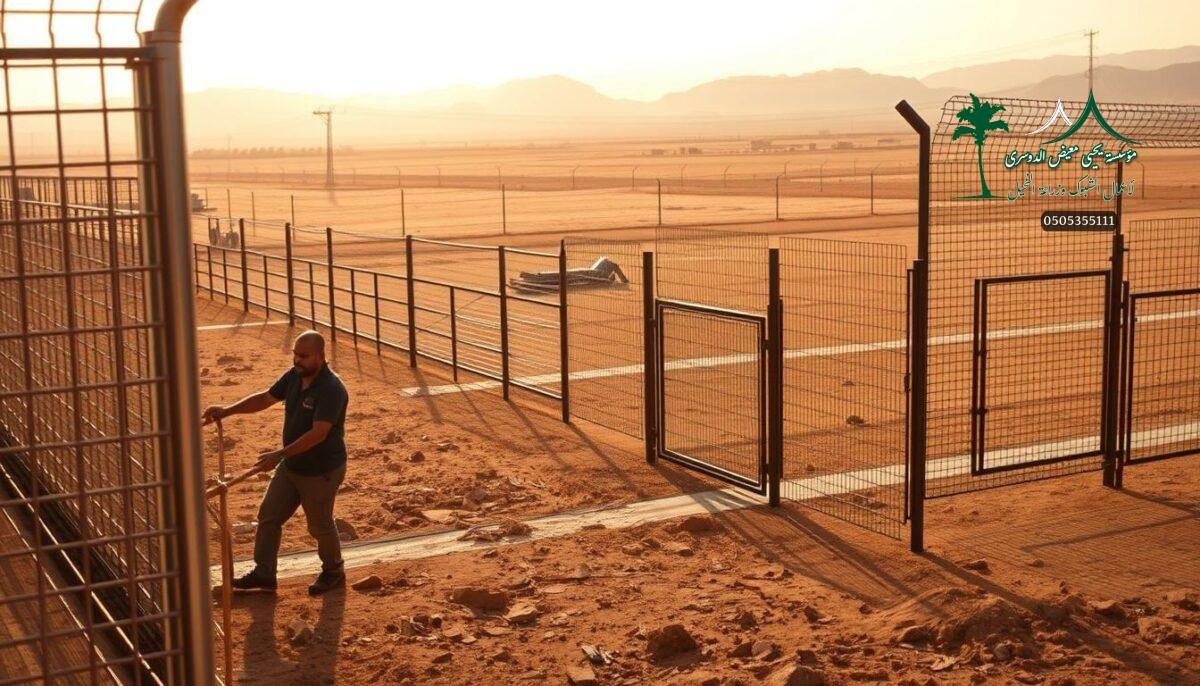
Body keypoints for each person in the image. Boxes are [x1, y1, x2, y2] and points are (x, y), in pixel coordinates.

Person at [202, 330, 350, 596]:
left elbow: (319, 433)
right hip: (291, 465)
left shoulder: (332, 389)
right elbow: (266, 398)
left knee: (319, 525)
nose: (297, 360)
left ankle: (333, 571)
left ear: (321, 355)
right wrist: (228, 410)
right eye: (295, 354)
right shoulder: (294, 377)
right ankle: (264, 574)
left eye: (304, 356)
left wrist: (279, 455)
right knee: (269, 517)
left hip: (320, 470)